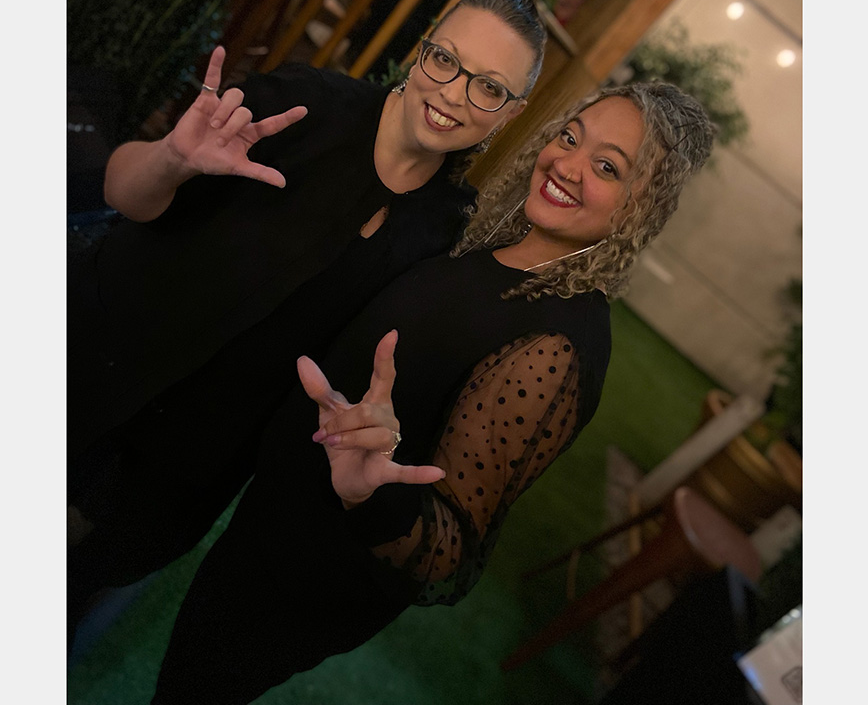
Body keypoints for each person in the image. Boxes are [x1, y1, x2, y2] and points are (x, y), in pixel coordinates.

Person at [145, 81, 717, 704]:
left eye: (608, 167)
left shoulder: (559, 345)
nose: (569, 165)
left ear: (641, 205)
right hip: (275, 519)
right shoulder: (502, 246)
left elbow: (446, 550)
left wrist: (372, 487)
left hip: (311, 573)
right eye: (570, 137)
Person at [68, 0, 544, 464]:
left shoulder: (444, 227)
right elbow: (120, 191)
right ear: (423, 47)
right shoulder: (303, 103)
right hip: (86, 362)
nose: (452, 93)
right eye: (444, 58)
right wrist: (172, 158)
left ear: (512, 111)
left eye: (489, 87)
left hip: (184, 465)